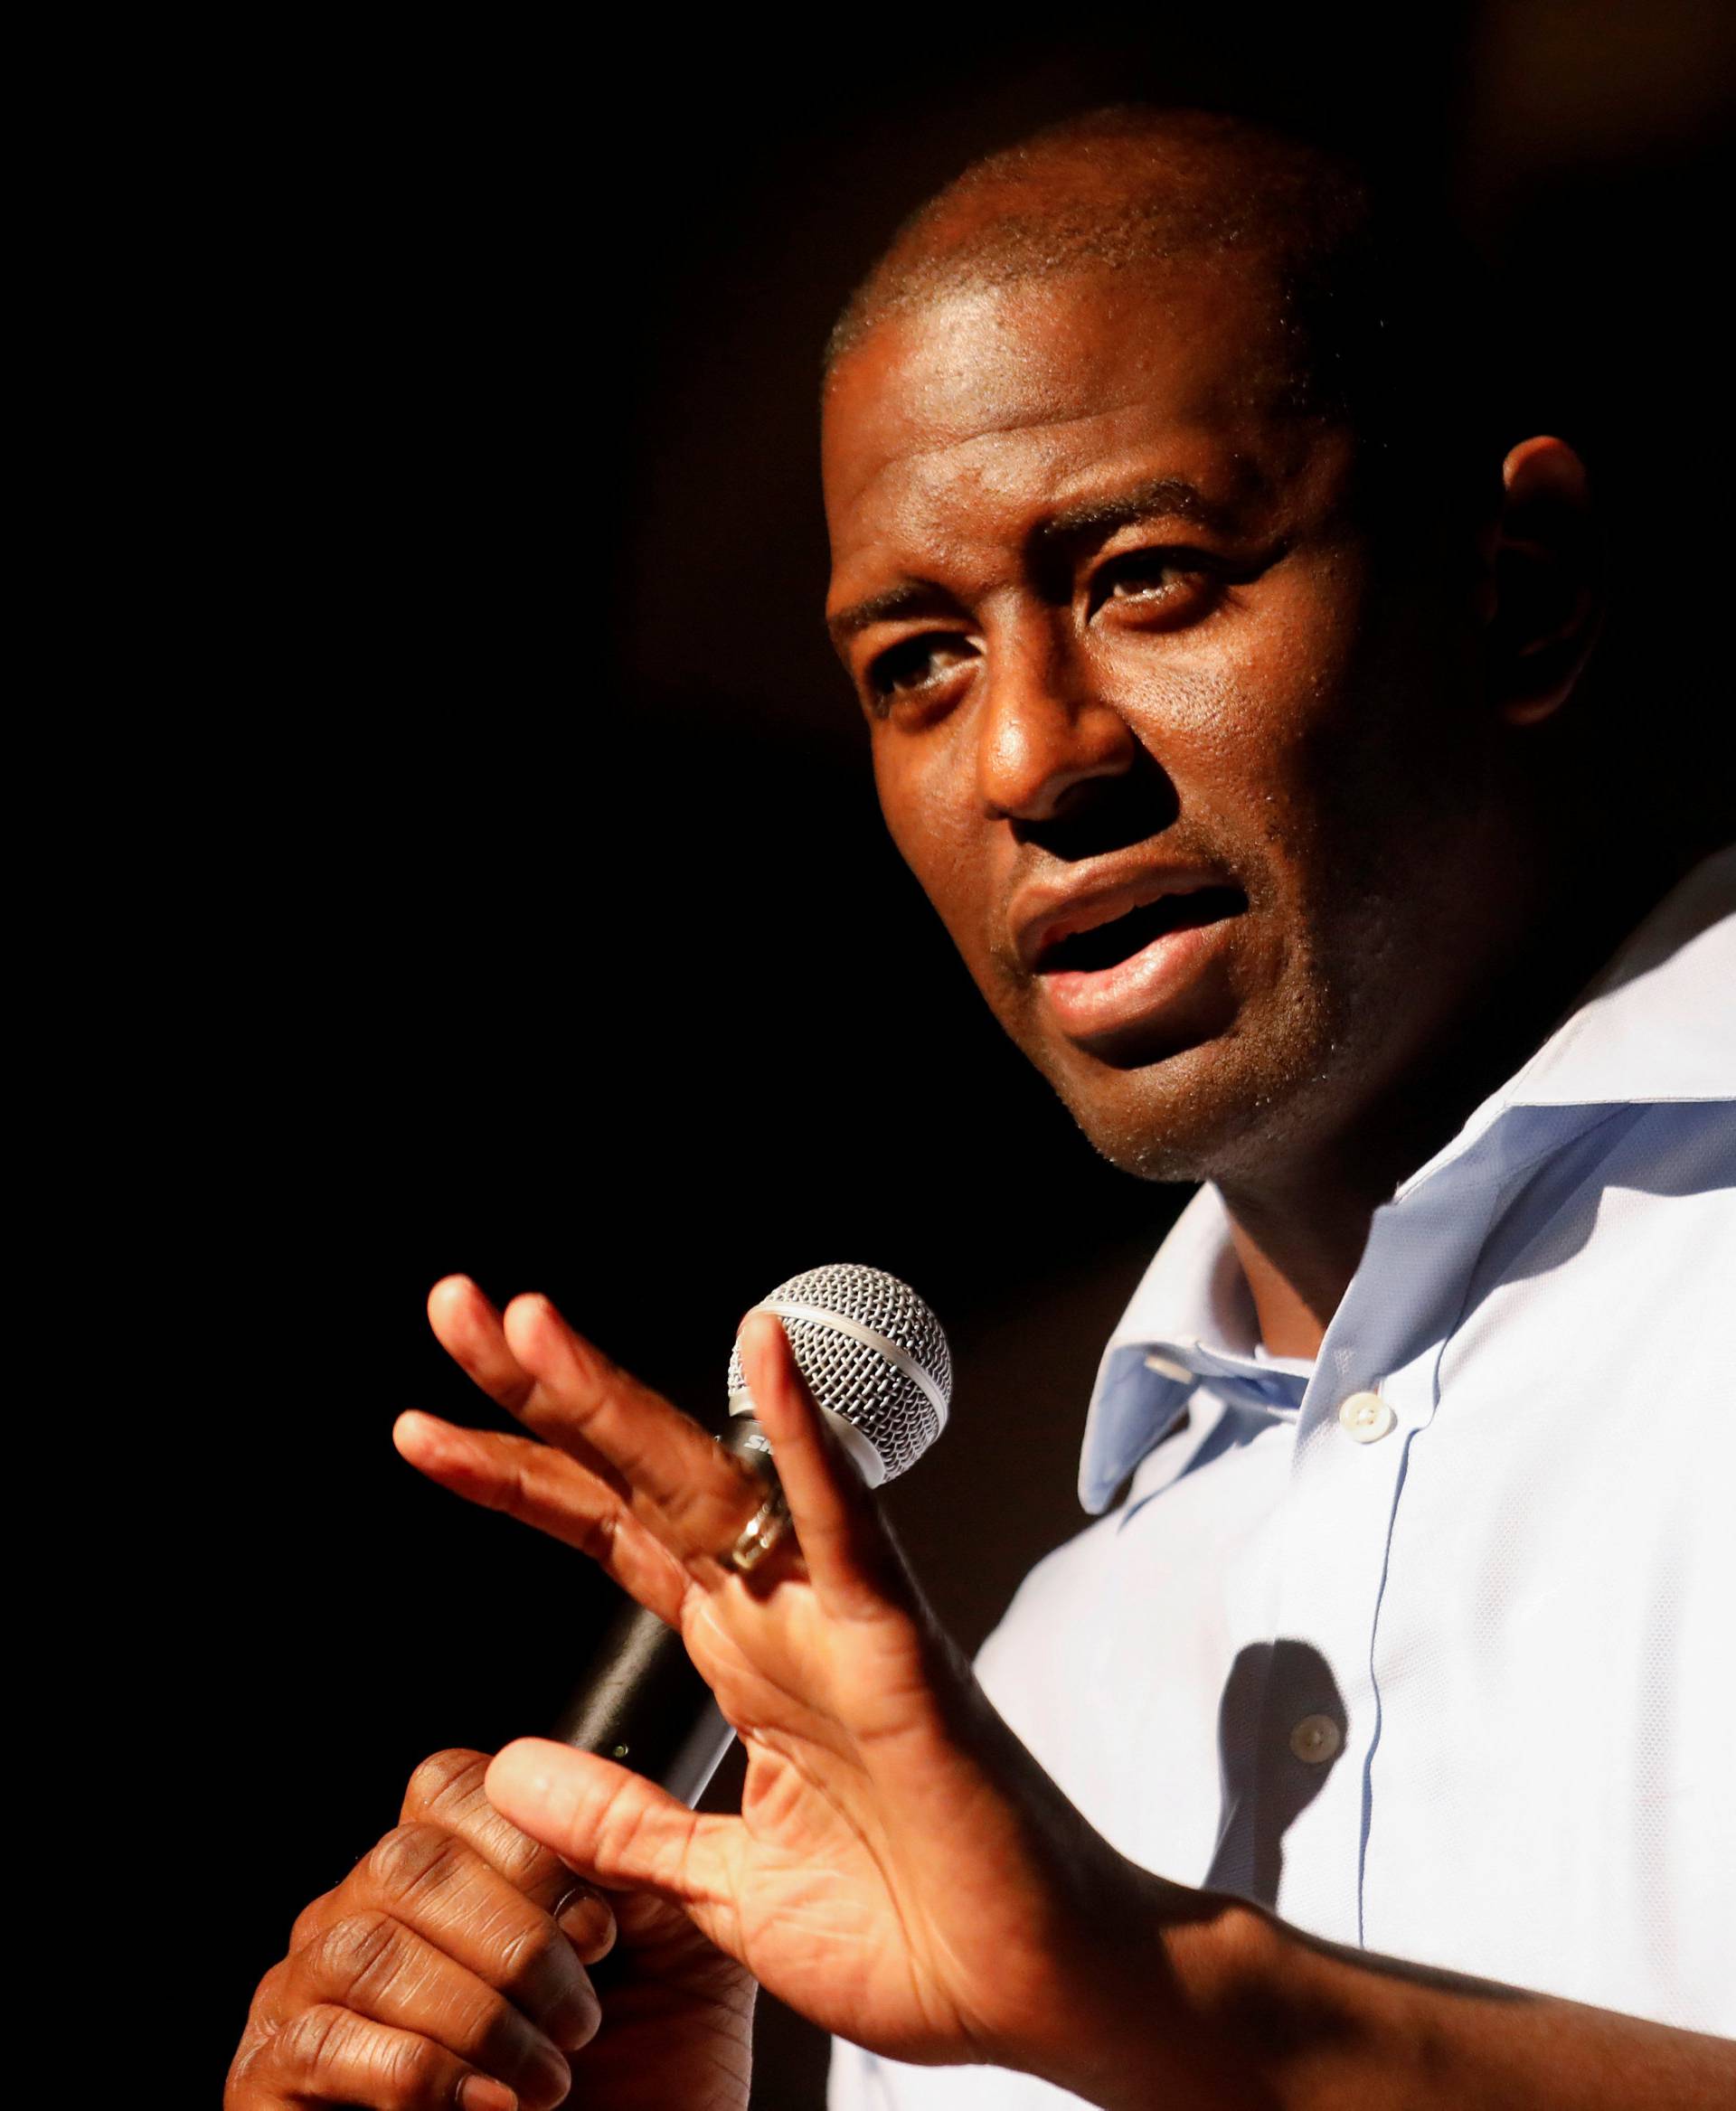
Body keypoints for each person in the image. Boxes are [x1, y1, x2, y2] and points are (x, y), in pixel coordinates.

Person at [225, 108, 1735, 2109]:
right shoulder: (1030, 1704)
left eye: (1150, 577)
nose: (1029, 753)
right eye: (919, 662)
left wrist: (1171, 1996)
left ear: (1518, 585)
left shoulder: (1018, 1874)